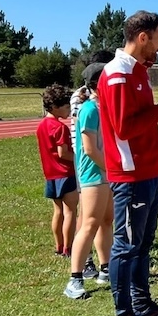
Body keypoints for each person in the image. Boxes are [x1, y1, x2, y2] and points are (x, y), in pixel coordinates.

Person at [97, 10, 158, 316]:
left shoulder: (136, 71)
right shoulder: (118, 75)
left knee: (142, 244)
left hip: (150, 172)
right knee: (127, 246)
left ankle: (142, 304)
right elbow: (124, 128)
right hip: (131, 176)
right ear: (143, 37)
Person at [63, 61, 114, 300]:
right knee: (90, 222)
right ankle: (75, 278)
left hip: (107, 172)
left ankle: (106, 269)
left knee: (106, 220)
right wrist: (112, 169)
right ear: (97, 83)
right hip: (94, 173)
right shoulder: (89, 109)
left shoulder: (106, 107)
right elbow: (90, 149)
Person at [36, 84, 79, 258]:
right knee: (70, 212)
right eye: (66, 107)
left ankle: (59, 246)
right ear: (55, 107)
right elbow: (63, 153)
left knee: (58, 211)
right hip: (65, 174)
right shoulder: (60, 128)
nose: (69, 110)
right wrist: (79, 158)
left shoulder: (41, 126)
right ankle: (69, 248)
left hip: (51, 175)